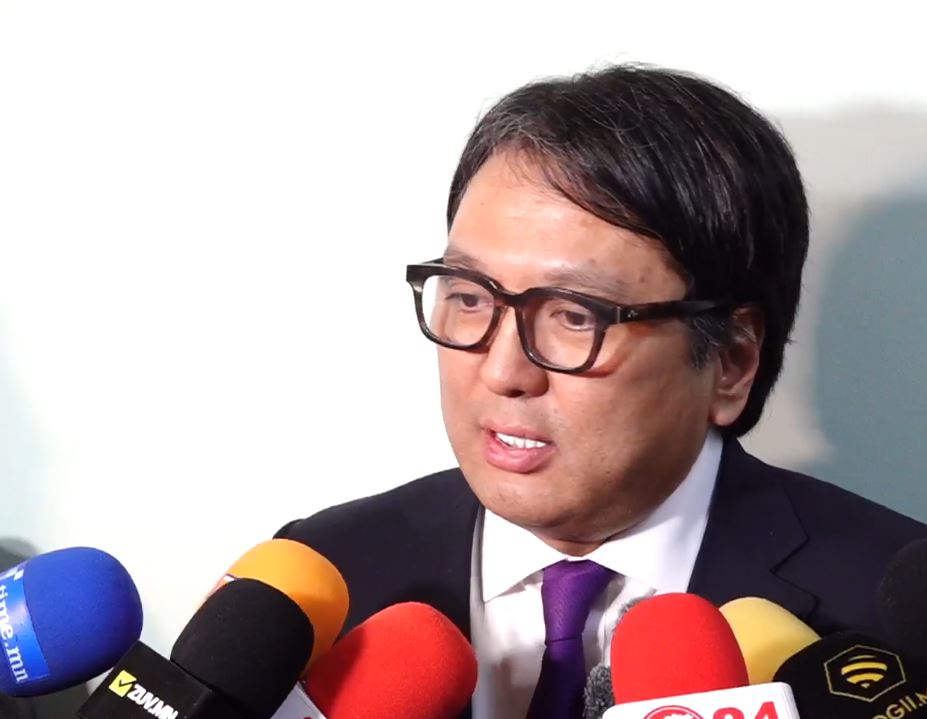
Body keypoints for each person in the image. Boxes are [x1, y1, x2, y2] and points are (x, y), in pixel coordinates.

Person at [277, 64, 927, 718]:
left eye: (574, 315)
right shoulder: (323, 580)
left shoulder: (890, 615)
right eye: (470, 298)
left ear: (730, 361)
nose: (503, 371)